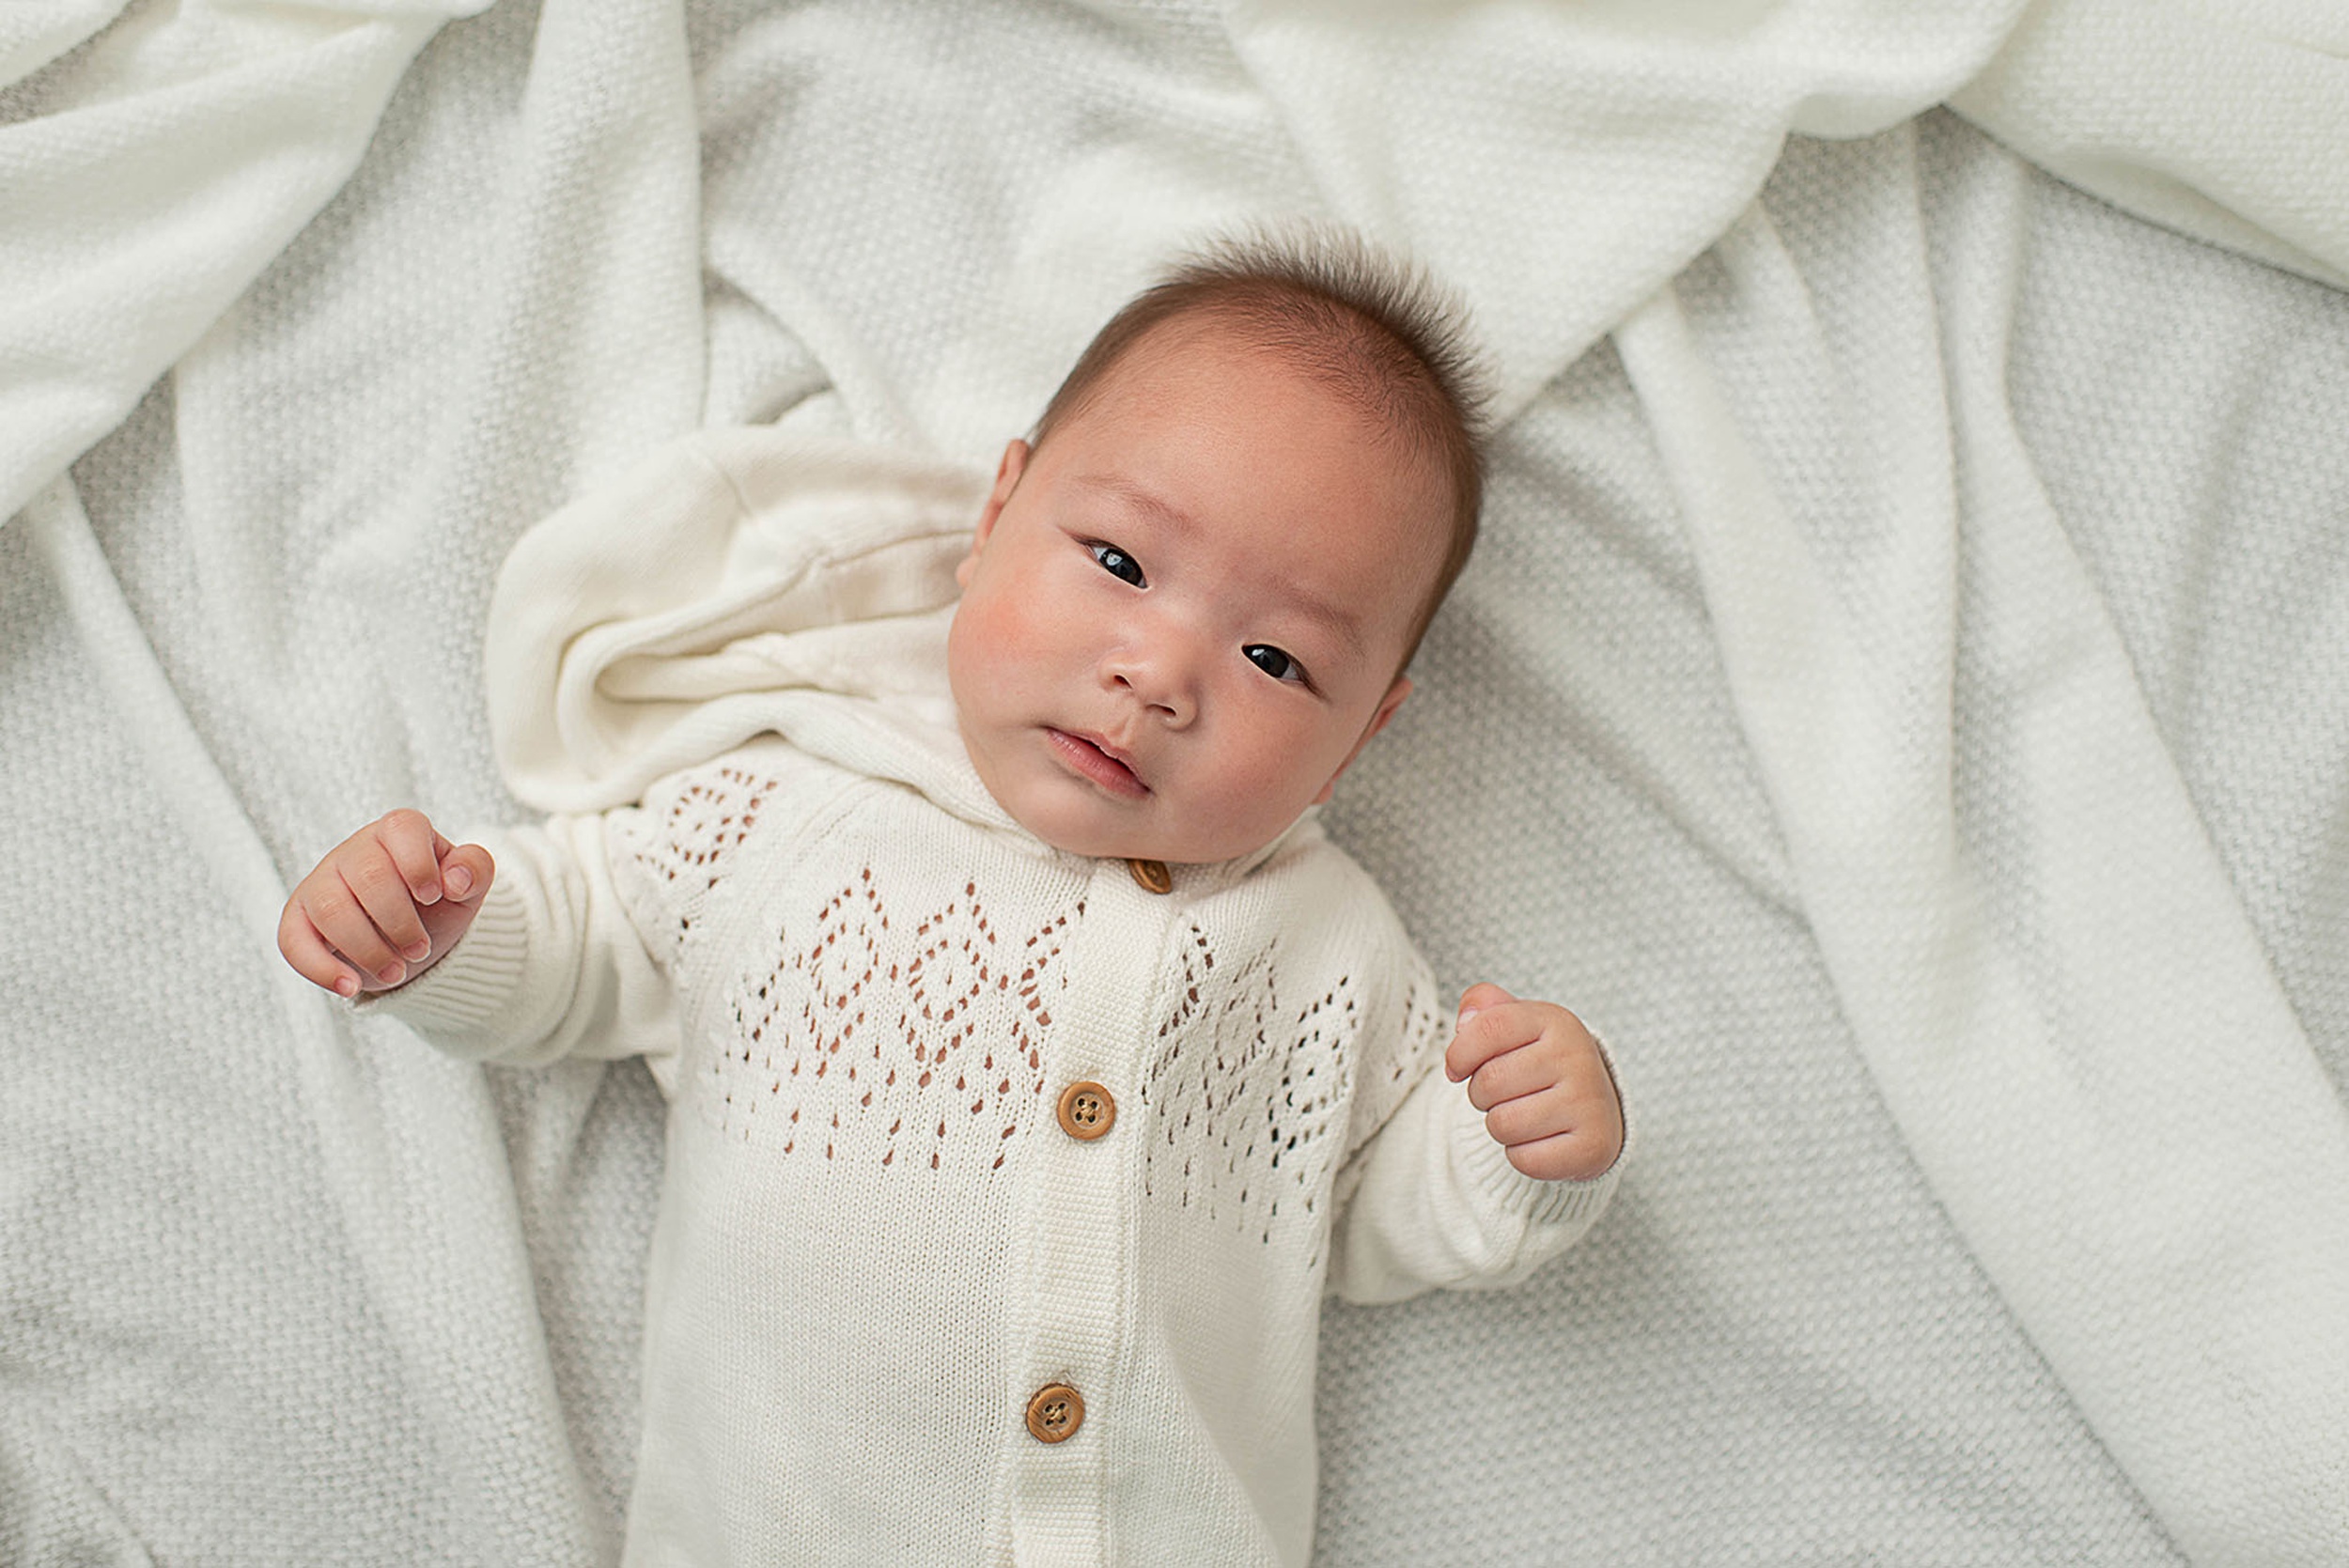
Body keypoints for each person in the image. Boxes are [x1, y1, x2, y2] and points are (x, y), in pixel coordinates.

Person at [276, 227, 1626, 1567]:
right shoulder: (793, 809)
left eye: (1275, 655)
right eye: (1118, 562)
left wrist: (1513, 1146)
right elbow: (579, 937)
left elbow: (1379, 1205)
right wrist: (441, 930)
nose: (1158, 671)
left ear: (1362, 733)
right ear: (994, 520)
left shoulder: (1332, 947)